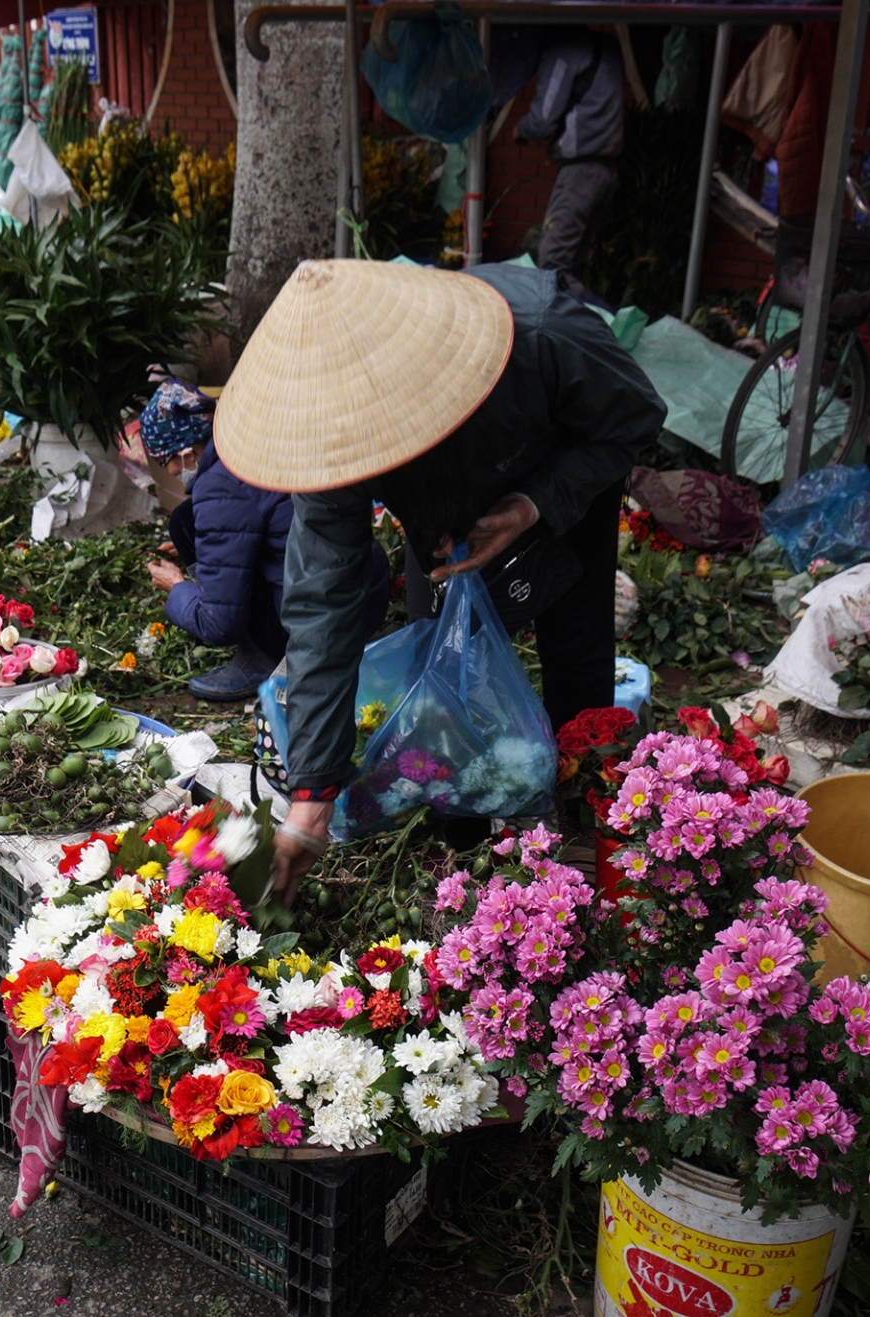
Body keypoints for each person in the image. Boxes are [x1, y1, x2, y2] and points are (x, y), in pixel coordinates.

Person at [213, 259, 666, 902]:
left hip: (559, 486)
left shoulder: (542, 334)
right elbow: (323, 602)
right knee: (442, 677)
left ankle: (580, 841)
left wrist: (531, 504)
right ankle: (469, 871)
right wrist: (312, 795)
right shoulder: (328, 434)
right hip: (442, 527)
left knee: (578, 656)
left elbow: (634, 418)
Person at [140, 380, 391, 701]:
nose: (172, 471)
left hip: (321, 621)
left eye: (166, 462)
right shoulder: (254, 442)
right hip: (365, 588)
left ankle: (267, 656)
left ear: (187, 452)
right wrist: (211, 540)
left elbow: (219, 623)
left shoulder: (219, 484)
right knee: (185, 522)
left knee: (195, 537)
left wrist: (177, 588)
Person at [514, 30, 624, 297]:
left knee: (554, 268)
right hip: (605, 168)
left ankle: (595, 328)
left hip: (581, 169)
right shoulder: (605, 45)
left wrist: (521, 129)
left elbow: (542, 120)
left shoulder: (565, 50)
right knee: (570, 267)